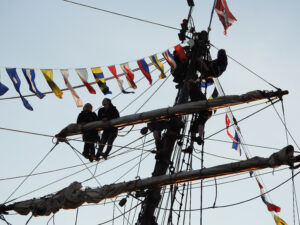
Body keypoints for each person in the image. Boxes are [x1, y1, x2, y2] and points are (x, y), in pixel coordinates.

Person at [182, 80, 212, 153]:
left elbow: (194, 101)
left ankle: (199, 137)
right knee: (193, 128)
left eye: (188, 85)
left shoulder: (193, 90)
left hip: (206, 110)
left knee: (201, 121)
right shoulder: (195, 88)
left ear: (190, 85)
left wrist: (185, 106)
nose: (187, 87)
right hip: (203, 110)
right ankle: (191, 147)